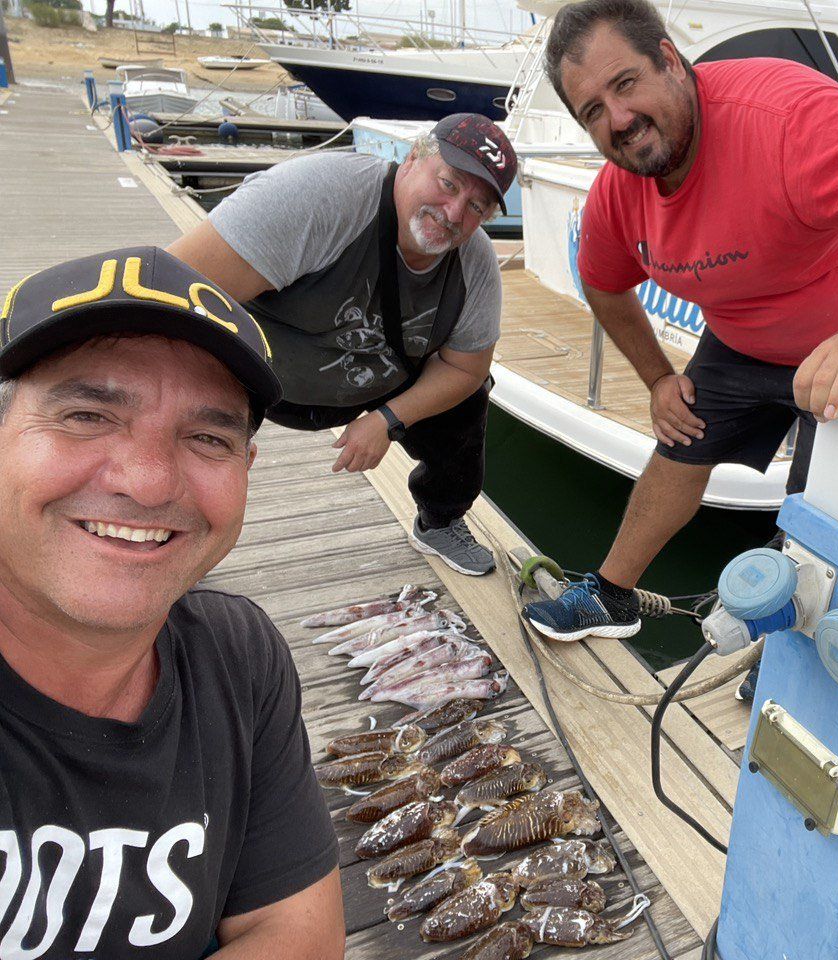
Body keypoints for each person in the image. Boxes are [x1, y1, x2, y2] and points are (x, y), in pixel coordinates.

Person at [522, 0, 838, 642]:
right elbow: (603, 282)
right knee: (682, 438)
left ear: (669, 61)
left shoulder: (773, 112)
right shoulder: (617, 194)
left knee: (836, 486)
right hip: (750, 321)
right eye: (592, 111)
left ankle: (798, 645)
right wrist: (658, 378)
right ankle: (611, 594)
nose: (619, 119)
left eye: (625, 84)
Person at [0, 247, 342, 959]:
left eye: (208, 437)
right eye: (87, 415)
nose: (151, 481)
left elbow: (298, 935)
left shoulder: (237, 656)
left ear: (247, 469)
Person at [168, 113, 518, 577]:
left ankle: (440, 520)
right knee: (182, 406)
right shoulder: (320, 195)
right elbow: (171, 292)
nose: (454, 213)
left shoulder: (475, 266)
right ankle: (167, 536)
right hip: (261, 371)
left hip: (377, 380)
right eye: (449, 184)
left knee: (468, 399)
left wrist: (388, 420)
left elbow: (465, 369)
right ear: (413, 157)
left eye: (476, 207)